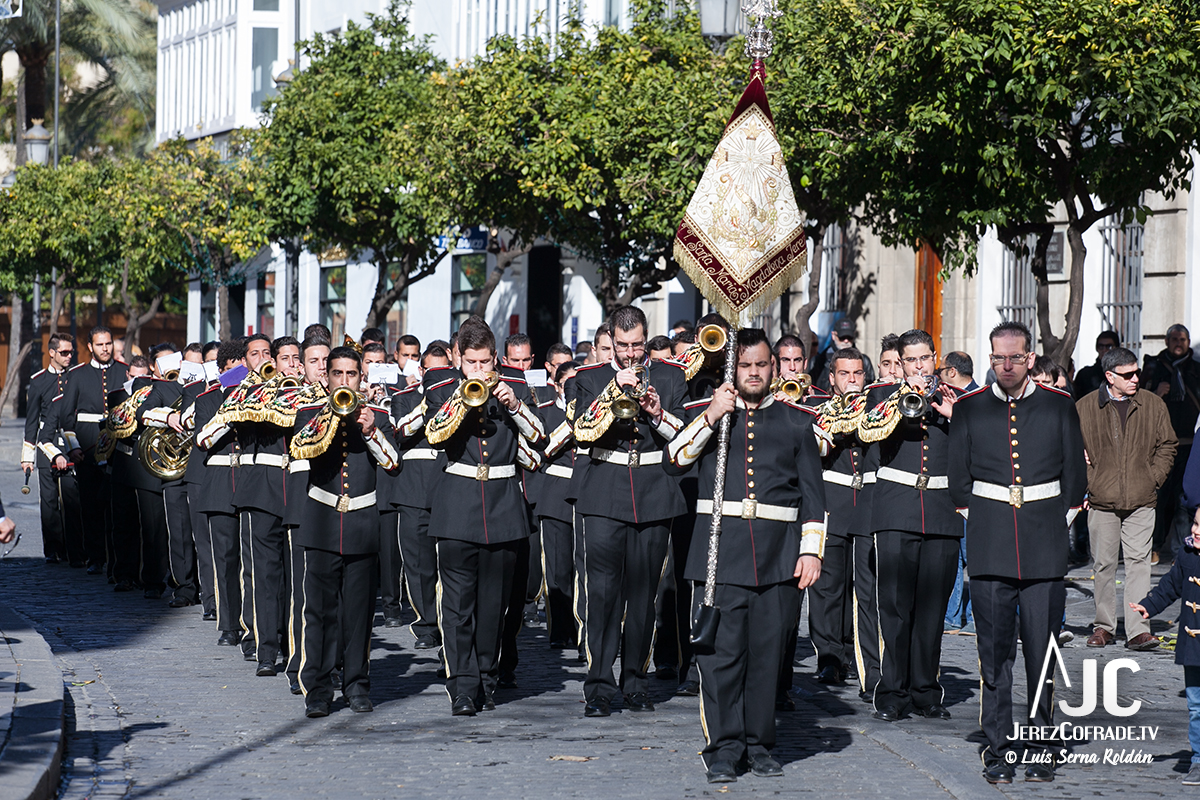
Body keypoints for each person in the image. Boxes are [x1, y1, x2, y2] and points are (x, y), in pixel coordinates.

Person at [665, 327, 826, 783]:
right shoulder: (709, 413)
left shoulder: (797, 422)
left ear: (773, 367)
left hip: (778, 559)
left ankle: (759, 744)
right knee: (720, 658)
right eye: (745, 366)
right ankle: (723, 748)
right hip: (720, 556)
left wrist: (811, 552)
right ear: (732, 370)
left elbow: (813, 497)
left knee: (765, 658)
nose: (753, 373)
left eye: (760, 365)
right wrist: (714, 414)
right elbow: (674, 459)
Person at [949, 321, 1086, 784]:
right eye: (997, 358)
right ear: (989, 358)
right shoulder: (970, 408)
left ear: (1029, 358)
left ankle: (1044, 743)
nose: (1005, 366)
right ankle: (999, 746)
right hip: (990, 547)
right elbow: (959, 483)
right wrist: (987, 526)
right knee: (995, 655)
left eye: (1014, 357)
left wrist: (1051, 527)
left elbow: (1075, 483)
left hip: (1044, 548)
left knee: (1042, 655)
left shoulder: (1058, 406)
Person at [569, 305, 686, 717]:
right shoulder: (587, 379)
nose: (632, 354)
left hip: (654, 492)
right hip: (604, 493)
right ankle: (598, 684)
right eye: (623, 347)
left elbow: (684, 441)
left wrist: (658, 412)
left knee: (643, 597)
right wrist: (613, 389)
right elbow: (581, 429)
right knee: (602, 595)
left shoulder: (672, 376)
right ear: (611, 343)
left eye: (638, 345)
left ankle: (636, 680)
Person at [424, 321, 545, 715]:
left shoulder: (518, 386)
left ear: (495, 357)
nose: (478, 370)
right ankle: (462, 685)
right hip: (458, 505)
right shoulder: (441, 388)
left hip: (503, 506)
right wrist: (462, 398)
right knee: (458, 605)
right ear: (459, 359)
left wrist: (515, 405)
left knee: (494, 605)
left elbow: (538, 437)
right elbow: (434, 436)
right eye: (471, 363)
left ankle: (487, 677)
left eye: (485, 362)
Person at [290, 346, 399, 718]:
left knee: (359, 612)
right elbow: (299, 451)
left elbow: (392, 463)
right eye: (338, 374)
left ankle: (357, 685)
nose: (344, 381)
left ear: (361, 378)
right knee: (318, 612)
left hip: (362, 524)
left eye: (351, 375)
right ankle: (317, 689)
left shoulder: (378, 416)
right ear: (327, 376)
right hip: (321, 522)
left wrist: (369, 430)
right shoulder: (307, 413)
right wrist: (329, 417)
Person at [865, 329, 961, 722]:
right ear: (899, 363)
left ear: (934, 358)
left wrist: (954, 417)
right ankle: (892, 691)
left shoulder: (958, 400)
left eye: (925, 359)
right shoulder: (877, 395)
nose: (919, 366)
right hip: (896, 511)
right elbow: (865, 429)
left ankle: (926, 691)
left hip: (941, 511)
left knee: (931, 610)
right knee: (895, 607)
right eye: (911, 360)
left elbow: (979, 445)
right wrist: (902, 396)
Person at [1077, 346, 1176, 651]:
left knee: (1139, 564)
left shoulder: (1153, 405)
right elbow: (1071, 451)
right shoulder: (1084, 407)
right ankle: (1104, 626)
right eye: (1128, 374)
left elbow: (1168, 445)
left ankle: (1137, 630)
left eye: (1137, 373)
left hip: (1142, 499)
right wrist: (1088, 483)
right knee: (1104, 565)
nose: (1136, 378)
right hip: (1101, 500)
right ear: (1109, 376)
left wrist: (1153, 478)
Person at [809, 348, 879, 700]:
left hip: (864, 505)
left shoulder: (876, 410)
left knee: (860, 588)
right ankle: (829, 657)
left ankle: (855, 653)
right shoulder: (820, 411)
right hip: (831, 504)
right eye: (844, 374)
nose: (852, 380)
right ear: (832, 378)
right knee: (827, 588)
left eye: (857, 374)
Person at [40, 325, 129, 575]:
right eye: (100, 345)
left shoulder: (124, 372)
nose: (105, 349)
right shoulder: (77, 375)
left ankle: (118, 559)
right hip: (87, 448)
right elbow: (67, 418)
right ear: (90, 346)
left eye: (109, 344)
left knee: (117, 507)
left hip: (117, 446)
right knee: (90, 506)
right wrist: (73, 448)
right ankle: (96, 557)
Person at [1129, 506, 1200, 786]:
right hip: (1194, 649)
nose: (1195, 530)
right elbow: (1169, 586)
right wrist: (1149, 605)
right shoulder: (1186, 555)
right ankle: (1198, 760)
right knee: (1196, 707)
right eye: (1195, 523)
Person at [1143, 324, 1200, 562]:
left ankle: (1179, 550)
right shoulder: (1153, 367)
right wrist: (1156, 392)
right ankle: (1154, 546)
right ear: (1166, 341)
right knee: (1160, 497)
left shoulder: (1197, 369)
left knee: (1183, 499)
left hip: (1189, 443)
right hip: (1161, 445)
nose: (1179, 343)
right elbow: (1140, 400)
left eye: (1183, 339)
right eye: (1174, 339)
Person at [24, 332, 82, 565]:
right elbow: (30, 422)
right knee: (48, 501)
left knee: (71, 497)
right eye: (65, 352)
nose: (69, 356)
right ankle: (53, 549)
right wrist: (27, 457)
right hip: (44, 444)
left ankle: (74, 548)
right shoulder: (38, 381)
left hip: (70, 441)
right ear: (52, 353)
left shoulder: (76, 377)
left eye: (71, 352)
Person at [811, 319, 876, 391]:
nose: (846, 341)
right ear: (833, 335)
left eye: (849, 337)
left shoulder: (865, 360)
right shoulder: (819, 360)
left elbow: (871, 387)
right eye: (842, 337)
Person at [1073, 331, 1120, 399]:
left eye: (1109, 347)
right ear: (1097, 348)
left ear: (1116, 348)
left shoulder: (1123, 374)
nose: (1104, 350)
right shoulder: (1085, 375)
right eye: (1101, 346)